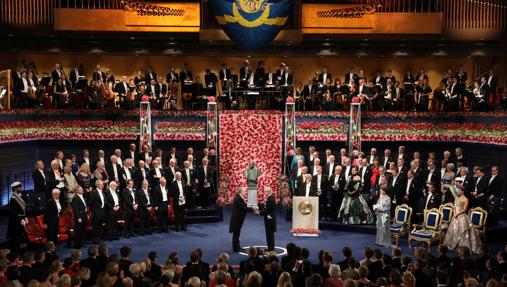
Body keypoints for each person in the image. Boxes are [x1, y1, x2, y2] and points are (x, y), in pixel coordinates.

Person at [443, 181, 482, 254]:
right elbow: (454, 206)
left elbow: (464, 209)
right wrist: (454, 213)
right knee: (454, 230)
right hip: (455, 216)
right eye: (457, 190)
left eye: (459, 191)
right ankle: (454, 245)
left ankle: (463, 247)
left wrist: (457, 214)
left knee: (463, 231)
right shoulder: (457, 198)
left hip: (462, 216)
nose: (458, 192)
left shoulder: (466, 199)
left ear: (463, 191)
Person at [229, 188, 258, 252]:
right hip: (236, 220)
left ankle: (238, 247)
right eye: (245, 191)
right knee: (236, 234)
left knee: (237, 233)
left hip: (237, 219)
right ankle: (236, 249)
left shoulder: (239, 197)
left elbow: (245, 206)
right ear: (241, 192)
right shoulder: (238, 198)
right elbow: (244, 208)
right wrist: (253, 209)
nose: (246, 192)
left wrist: (252, 208)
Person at [7, 182, 27, 251]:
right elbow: (14, 212)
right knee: (16, 239)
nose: (21, 188)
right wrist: (20, 220)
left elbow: (22, 209)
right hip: (15, 221)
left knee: (20, 237)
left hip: (21, 219)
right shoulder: (13, 198)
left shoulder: (19, 196)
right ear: (15, 189)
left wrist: (25, 217)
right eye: (19, 187)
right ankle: (16, 253)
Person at [259, 187, 276, 251]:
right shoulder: (270, 198)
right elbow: (265, 207)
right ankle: (270, 248)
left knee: (270, 235)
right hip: (269, 220)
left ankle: (271, 249)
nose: (264, 193)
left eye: (265, 191)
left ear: (268, 192)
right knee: (269, 234)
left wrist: (259, 213)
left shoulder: (270, 199)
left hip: (270, 220)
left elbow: (266, 209)